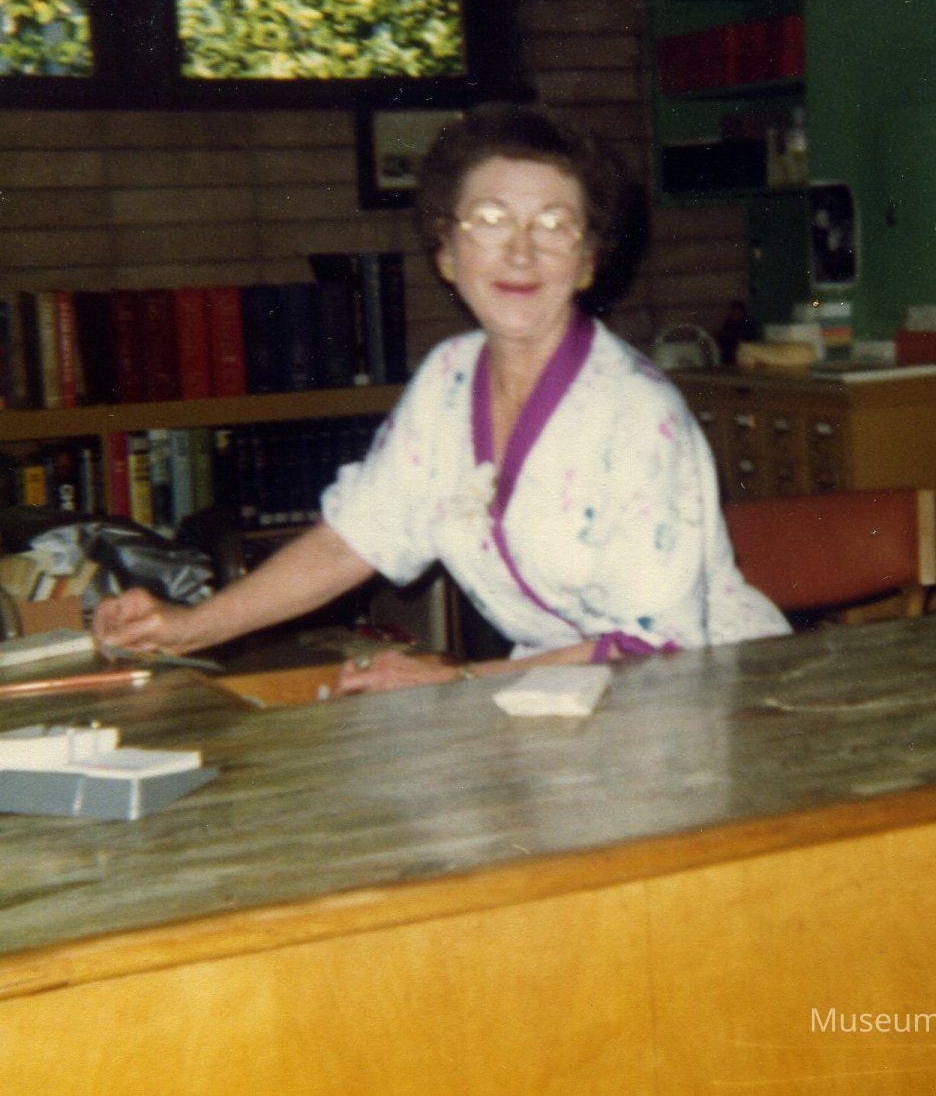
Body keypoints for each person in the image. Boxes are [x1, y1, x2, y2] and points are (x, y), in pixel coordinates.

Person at [93, 104, 789, 693]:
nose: (520, 252)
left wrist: (459, 681)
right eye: (489, 218)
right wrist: (188, 627)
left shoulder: (637, 414)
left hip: (706, 698)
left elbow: (655, 646)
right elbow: (349, 541)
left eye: (554, 224)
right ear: (446, 251)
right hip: (556, 695)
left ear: (586, 263)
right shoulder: (447, 379)